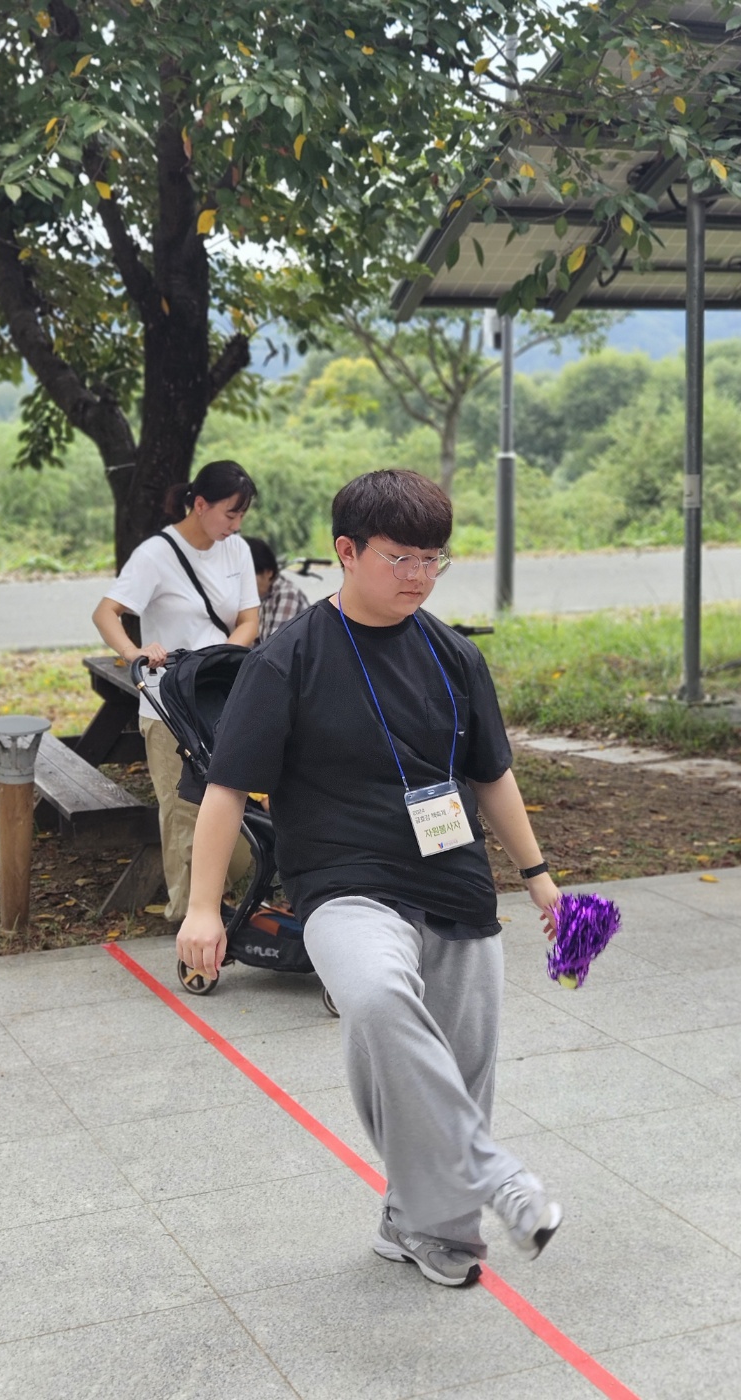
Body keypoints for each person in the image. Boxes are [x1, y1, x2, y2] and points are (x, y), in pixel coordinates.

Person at [177, 468, 563, 1288]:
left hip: (456, 885)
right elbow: (225, 790)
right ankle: (489, 1171)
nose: (419, 576)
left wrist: (537, 876)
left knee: (455, 1068)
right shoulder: (287, 660)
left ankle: (424, 1229)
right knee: (381, 1001)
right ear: (347, 552)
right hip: (344, 887)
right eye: (400, 558)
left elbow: (490, 773)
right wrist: (203, 908)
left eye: (433, 559)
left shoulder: (454, 654)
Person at [92, 459, 260, 924]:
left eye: (242, 515)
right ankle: (190, 918)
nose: (236, 525)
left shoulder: (237, 550)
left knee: (234, 807)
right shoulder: (155, 554)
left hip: (221, 699)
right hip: (168, 706)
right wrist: (134, 652)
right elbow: (106, 613)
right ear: (200, 504)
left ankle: (221, 909)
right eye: (230, 513)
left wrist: (217, 659)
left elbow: (249, 620)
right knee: (184, 810)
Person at [245, 536, 311, 641]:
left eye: (247, 578)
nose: (243, 585)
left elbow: (276, 646)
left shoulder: (287, 594)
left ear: (268, 572)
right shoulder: (261, 596)